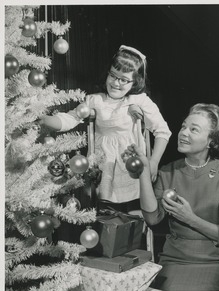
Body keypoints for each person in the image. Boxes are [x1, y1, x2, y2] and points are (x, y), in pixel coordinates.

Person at [40, 45, 171, 212]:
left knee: (134, 208)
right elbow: (70, 118)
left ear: (135, 82)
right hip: (103, 163)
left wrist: (153, 162)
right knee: (104, 207)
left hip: (129, 161)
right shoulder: (95, 100)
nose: (116, 83)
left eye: (123, 79)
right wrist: (44, 119)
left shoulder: (139, 101)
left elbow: (162, 132)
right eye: (113, 76)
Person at [122, 103, 219, 291]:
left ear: (210, 141)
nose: (183, 133)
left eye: (193, 129)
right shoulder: (168, 171)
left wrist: (190, 219)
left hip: (217, 264)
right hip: (174, 261)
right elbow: (152, 218)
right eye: (183, 126)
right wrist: (143, 171)